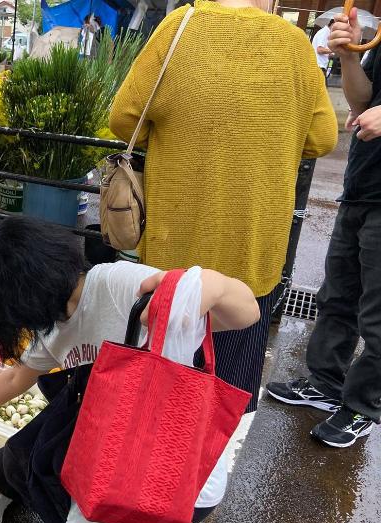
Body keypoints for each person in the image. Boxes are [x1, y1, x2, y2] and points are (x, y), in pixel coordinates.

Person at [0, 217, 261, 523]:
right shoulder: (56, 324)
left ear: (24, 297)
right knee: (12, 467)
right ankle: (101, 522)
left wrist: (212, 284)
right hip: (121, 444)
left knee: (48, 470)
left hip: (173, 482)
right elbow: (16, 377)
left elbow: (247, 313)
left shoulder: (118, 285)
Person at [108, 0, 338, 414]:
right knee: (226, 395)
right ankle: (210, 468)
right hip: (252, 251)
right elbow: (322, 138)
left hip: (175, 249)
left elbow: (124, 119)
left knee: (157, 383)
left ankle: (148, 466)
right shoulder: (294, 44)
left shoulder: (178, 28)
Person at [267, 11, 381, 448]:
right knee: (337, 296)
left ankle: (362, 407)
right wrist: (349, 57)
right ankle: (326, 384)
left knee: (376, 315)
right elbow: (361, 102)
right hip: (362, 186)